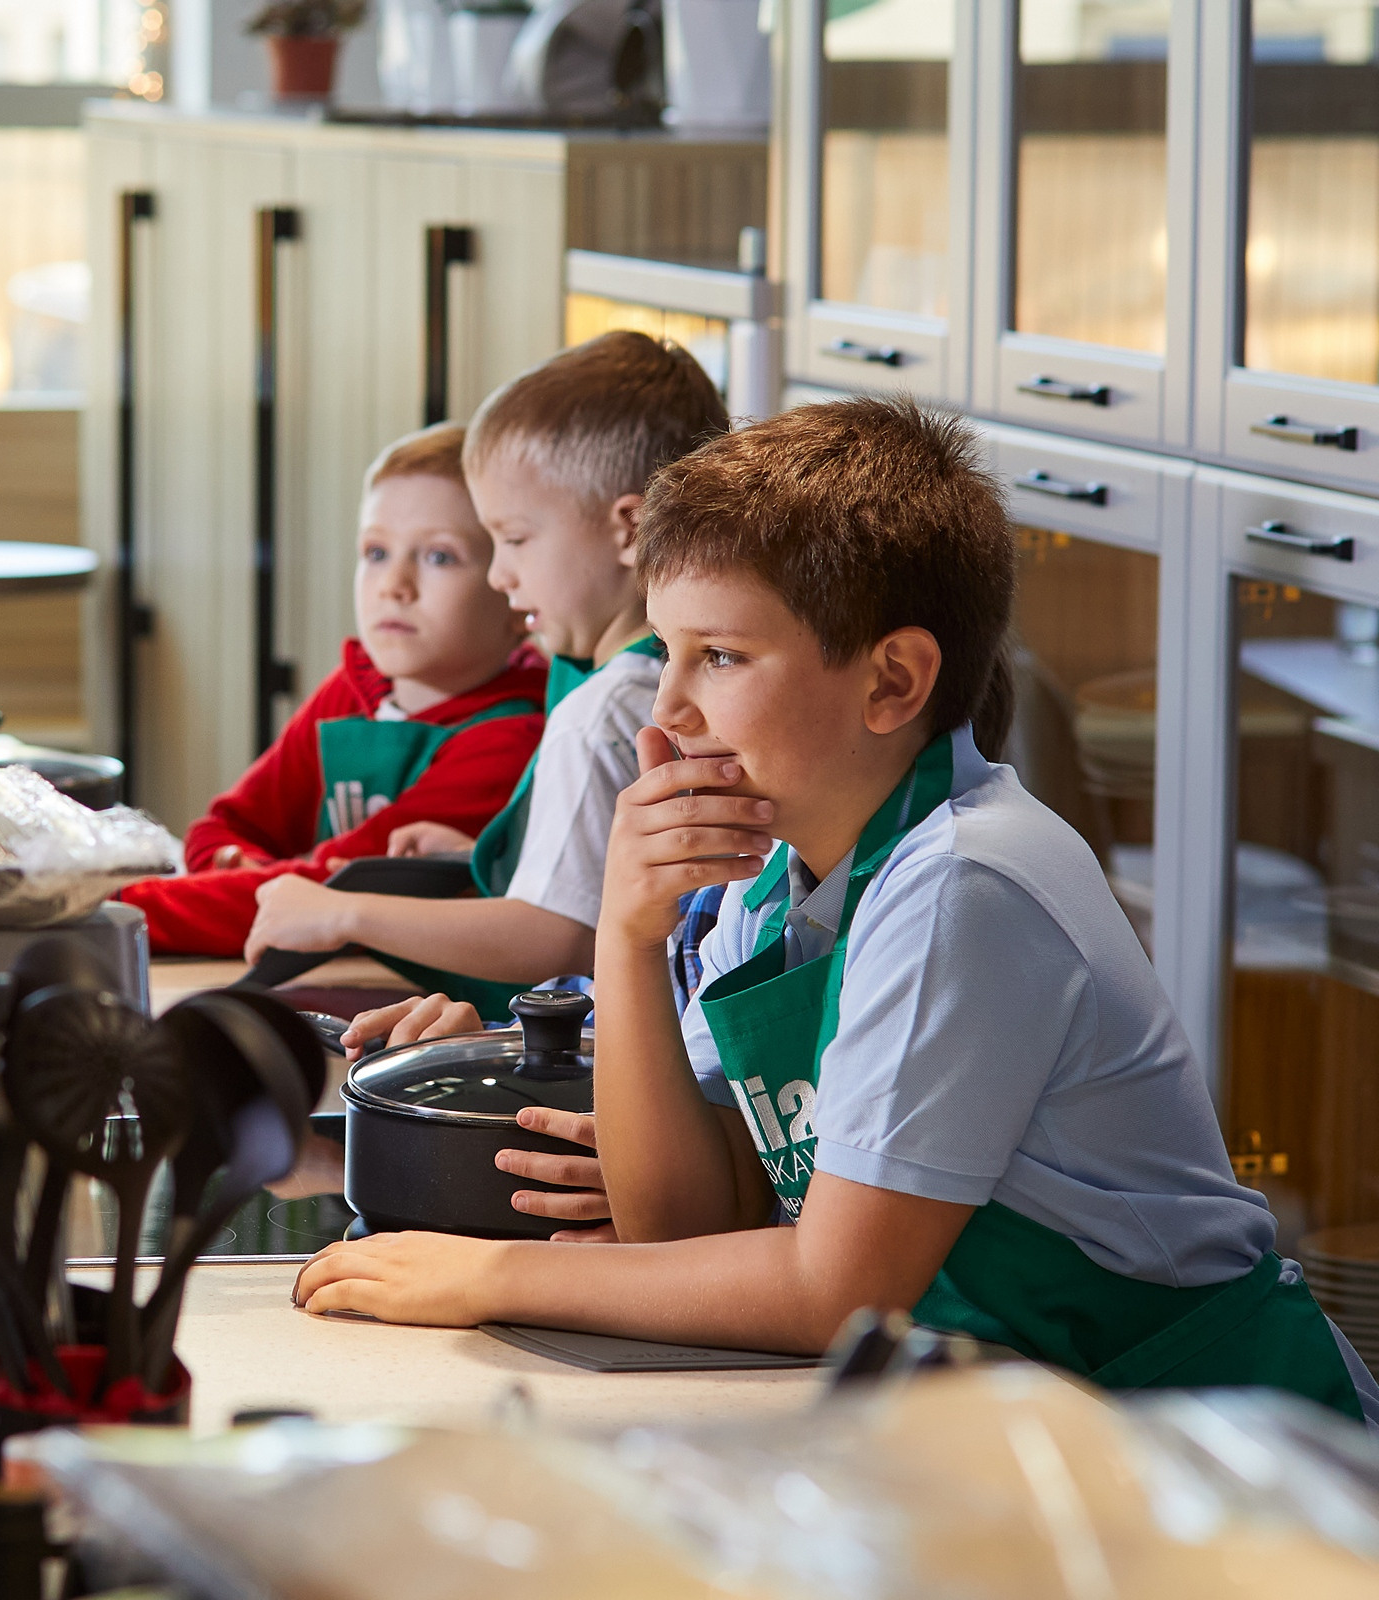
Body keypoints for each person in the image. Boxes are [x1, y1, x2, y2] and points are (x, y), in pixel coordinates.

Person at [292, 396, 1377, 1421]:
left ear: (893, 683)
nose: (668, 709)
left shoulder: (963, 881)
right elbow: (686, 1217)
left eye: (719, 655)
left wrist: (493, 1275)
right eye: (667, 653)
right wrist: (628, 939)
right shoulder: (774, 884)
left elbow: (842, 1288)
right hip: (1033, 1417)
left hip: (1217, 1433)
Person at [243, 332, 729, 1017]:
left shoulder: (606, 707)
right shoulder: (676, 672)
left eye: (516, 540)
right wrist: (491, 852)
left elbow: (556, 936)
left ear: (629, 531)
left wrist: (343, 913)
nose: (500, 575)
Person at [118, 423, 545, 958]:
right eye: (375, 552)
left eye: (439, 557)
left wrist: (113, 910)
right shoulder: (352, 688)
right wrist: (240, 864)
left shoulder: (512, 736)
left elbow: (336, 889)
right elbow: (226, 824)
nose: (395, 585)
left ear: (515, 588)